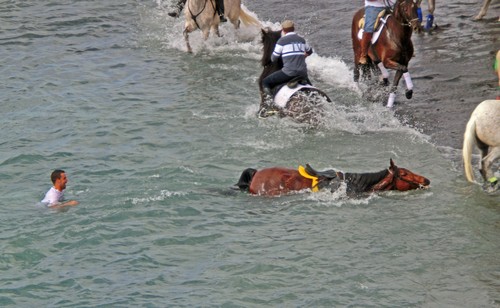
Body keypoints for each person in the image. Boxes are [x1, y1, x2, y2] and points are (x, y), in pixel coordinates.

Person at [261, 20, 313, 104]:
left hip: (288, 73)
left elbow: (273, 58)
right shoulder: (302, 40)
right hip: (303, 73)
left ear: (283, 30)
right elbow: (310, 52)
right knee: (311, 88)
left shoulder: (281, 41)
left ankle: (270, 106)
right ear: (293, 29)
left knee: (265, 82)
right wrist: (302, 55)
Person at [359, 0, 395, 65]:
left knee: (406, 21)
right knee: (369, 29)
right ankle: (364, 54)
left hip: (393, 5)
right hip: (375, 6)